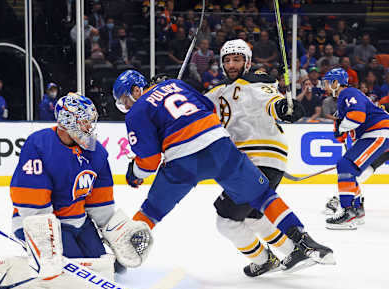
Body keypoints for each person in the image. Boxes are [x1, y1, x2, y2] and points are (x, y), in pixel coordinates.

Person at [112, 69, 334, 278]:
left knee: (151, 211)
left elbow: (149, 162)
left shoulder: (137, 111)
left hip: (183, 161)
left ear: (136, 90)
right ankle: (303, 241)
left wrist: (135, 172)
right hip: (218, 144)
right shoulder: (175, 83)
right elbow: (208, 106)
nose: (126, 105)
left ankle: (121, 260)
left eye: (124, 100)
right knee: (262, 196)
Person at [0, 93, 152, 289]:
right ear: (69, 121)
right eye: (85, 121)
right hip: (40, 221)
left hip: (79, 221)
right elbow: (30, 197)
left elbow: (100, 201)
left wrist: (116, 231)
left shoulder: (97, 152)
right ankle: (5, 278)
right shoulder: (40, 145)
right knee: (70, 273)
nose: (90, 127)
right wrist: (44, 237)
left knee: (106, 268)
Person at [205, 40, 334, 275]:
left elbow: (270, 100)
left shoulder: (255, 80)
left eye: (237, 59)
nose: (232, 64)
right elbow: (193, 109)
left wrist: (283, 108)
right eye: (227, 60)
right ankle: (291, 250)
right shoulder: (217, 91)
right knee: (253, 216)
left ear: (248, 61)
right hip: (252, 160)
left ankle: (271, 256)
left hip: (259, 156)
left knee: (226, 220)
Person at [323, 68, 389, 230]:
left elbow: (357, 117)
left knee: (345, 165)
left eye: (327, 82)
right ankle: (357, 211)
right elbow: (340, 135)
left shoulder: (349, 92)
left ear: (336, 83)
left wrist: (342, 125)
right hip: (372, 135)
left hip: (378, 133)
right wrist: (340, 127)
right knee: (350, 169)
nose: (324, 85)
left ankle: (348, 212)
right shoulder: (343, 101)